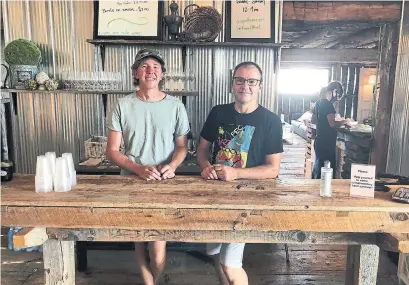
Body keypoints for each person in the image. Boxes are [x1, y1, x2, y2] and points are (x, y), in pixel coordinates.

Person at [106, 48, 189, 285]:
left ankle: (153, 279)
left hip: (164, 182)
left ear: (162, 74)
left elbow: (182, 146)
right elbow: (112, 151)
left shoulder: (176, 106)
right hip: (131, 181)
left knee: (158, 248)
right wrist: (138, 169)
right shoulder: (122, 105)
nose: (150, 70)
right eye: (144, 66)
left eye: (155, 67)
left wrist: (172, 165)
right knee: (138, 237)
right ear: (135, 73)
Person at [196, 62, 283, 285]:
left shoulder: (270, 120)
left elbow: (273, 169)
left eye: (251, 81)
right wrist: (205, 166)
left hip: (247, 200)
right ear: (233, 84)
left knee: (231, 264)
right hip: (214, 197)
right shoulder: (218, 112)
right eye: (240, 80)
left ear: (260, 86)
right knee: (215, 253)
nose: (245, 85)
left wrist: (236, 173)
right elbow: (202, 150)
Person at [312, 81, 350, 179]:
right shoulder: (328, 105)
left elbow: (314, 120)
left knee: (318, 168)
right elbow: (332, 124)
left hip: (319, 141)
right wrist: (344, 122)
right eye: (337, 95)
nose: (337, 98)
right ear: (334, 91)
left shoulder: (318, 103)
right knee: (326, 170)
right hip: (326, 143)